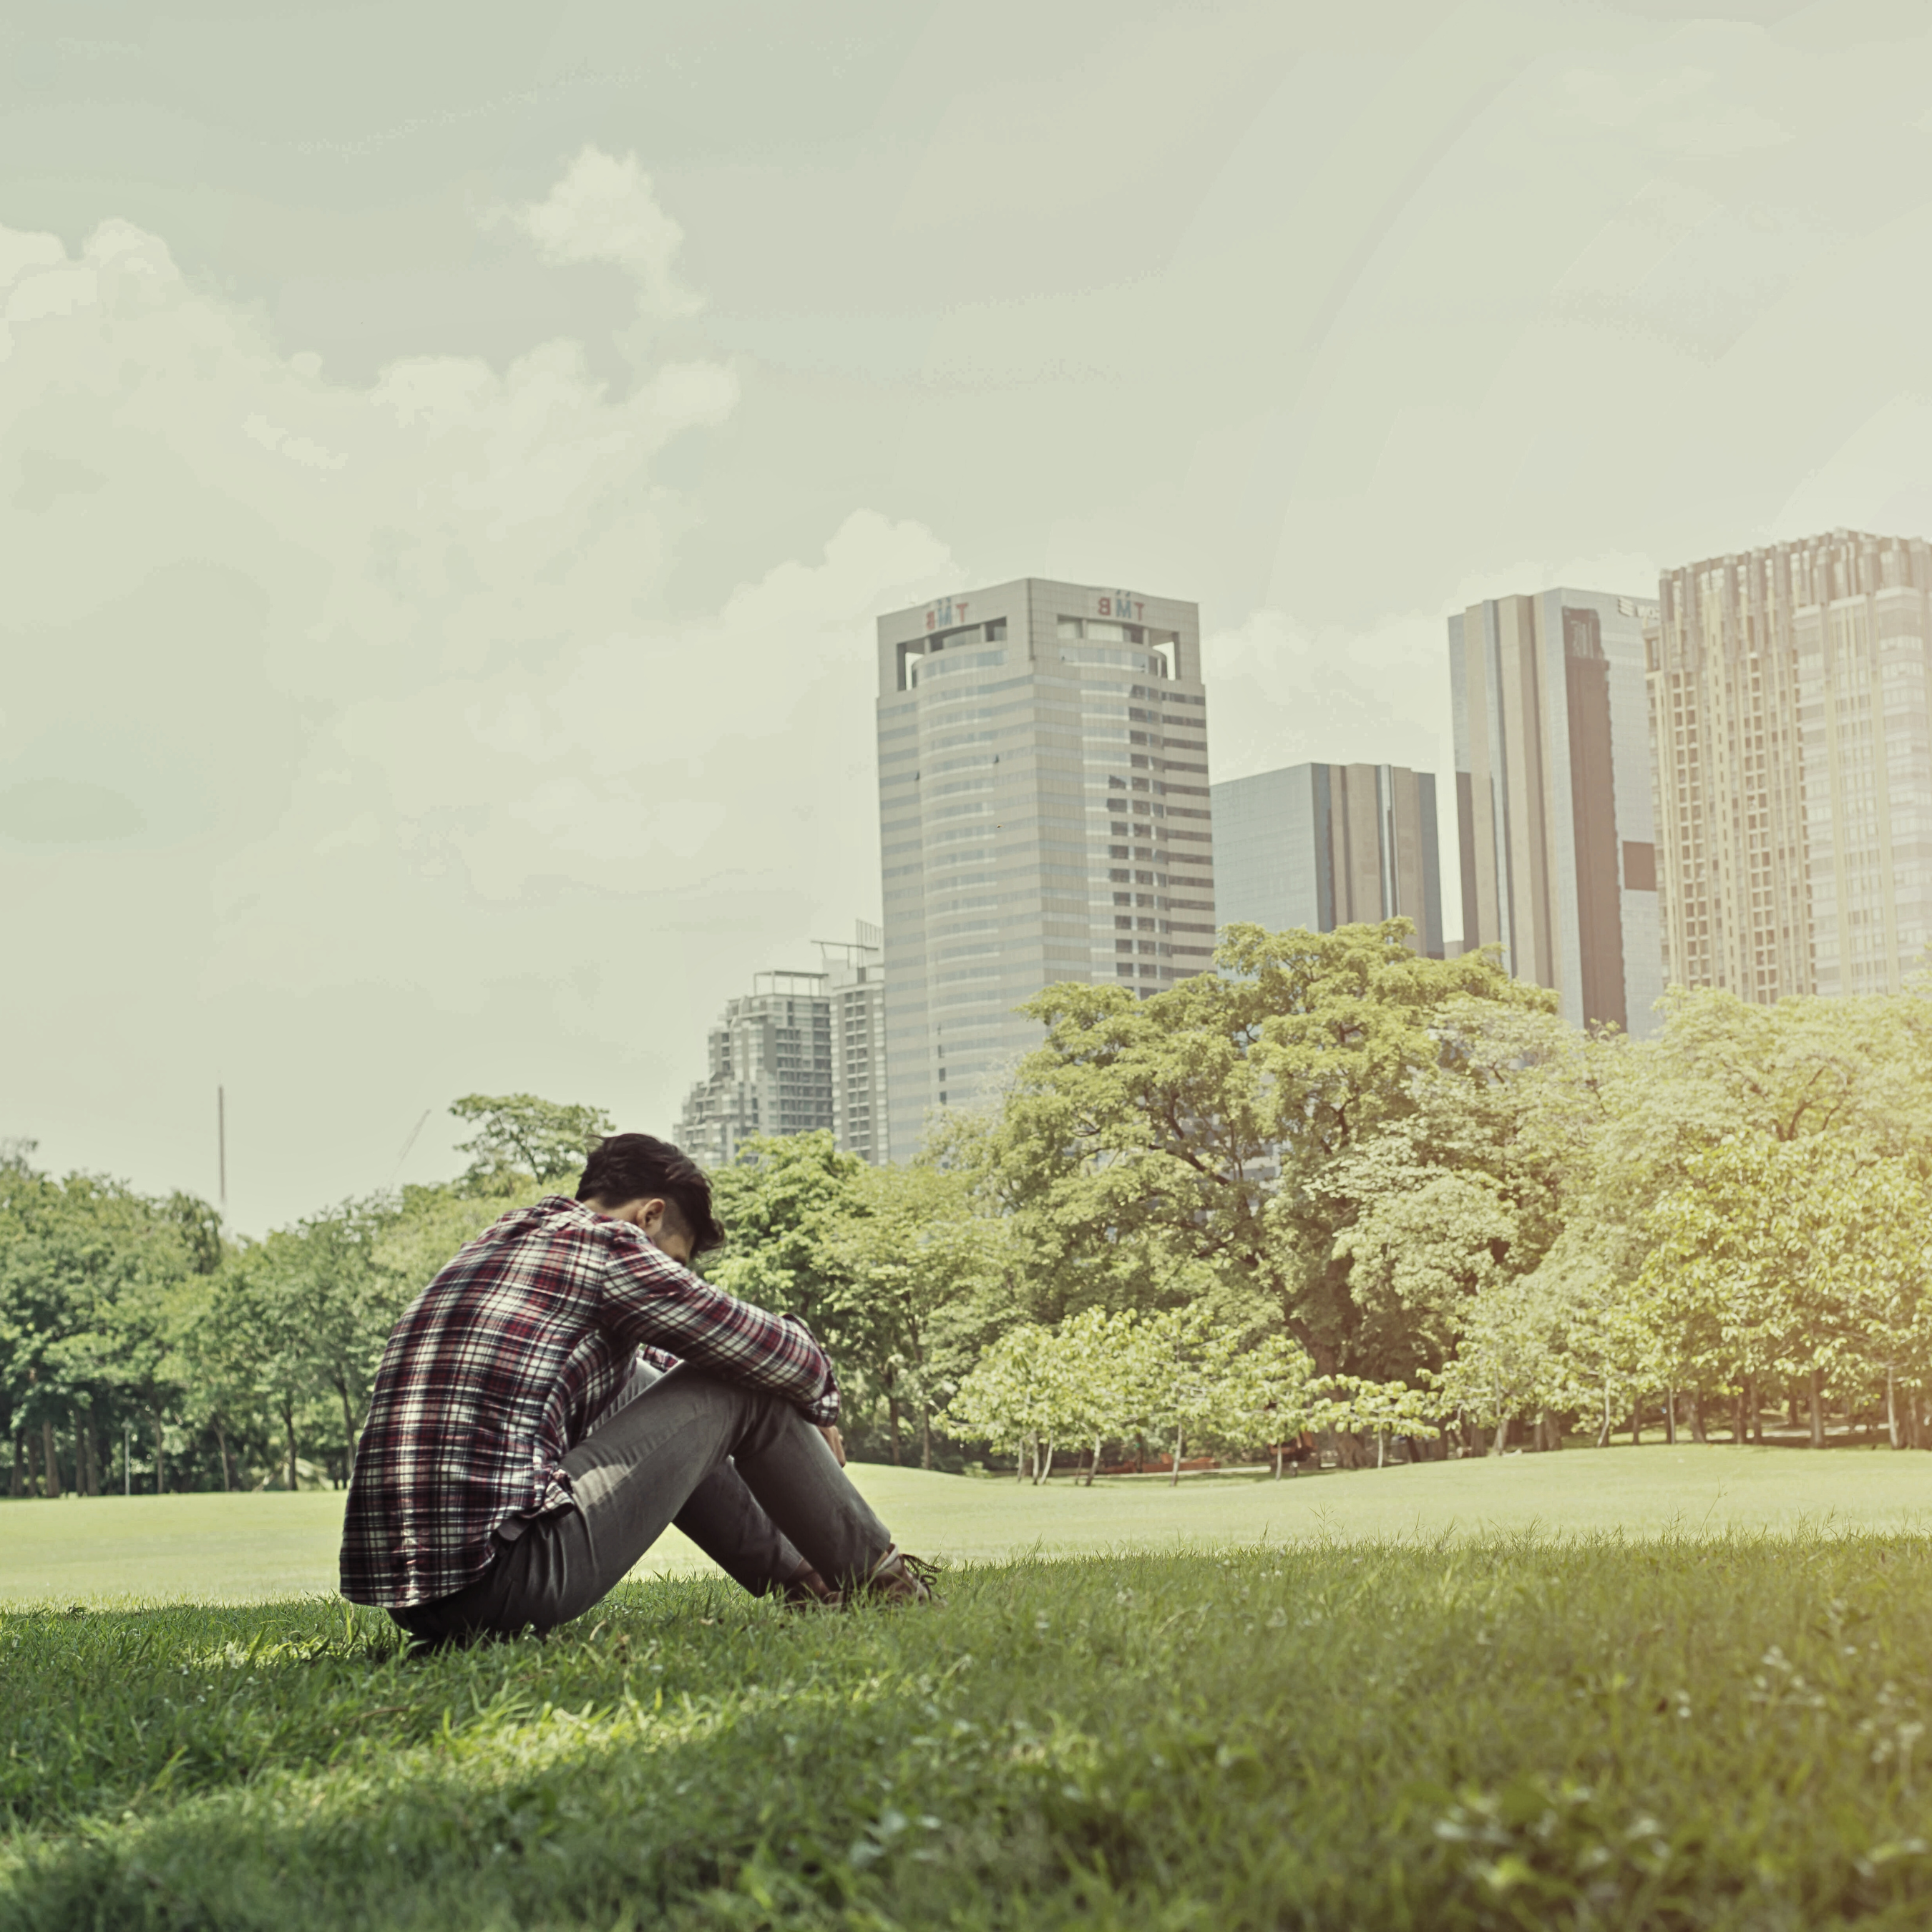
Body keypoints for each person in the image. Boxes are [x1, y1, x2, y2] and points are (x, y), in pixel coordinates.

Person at [339, 1131, 934, 1644]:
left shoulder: (503, 1242)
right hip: (505, 1576)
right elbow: (775, 1353)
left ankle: (810, 1585)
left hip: (416, 1600)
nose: (672, 1274)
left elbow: (648, 1381)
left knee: (660, 1377)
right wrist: (815, 1397)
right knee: (744, 1380)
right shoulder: (608, 1245)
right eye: (675, 1260)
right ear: (650, 1215)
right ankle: (887, 1585)